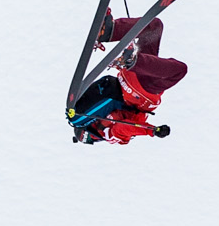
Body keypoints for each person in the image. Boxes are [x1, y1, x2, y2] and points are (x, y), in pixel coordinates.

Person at [73, 11, 187, 143]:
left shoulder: (109, 135)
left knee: (179, 71)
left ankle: (131, 59)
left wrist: (151, 131)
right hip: (126, 77)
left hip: (140, 93)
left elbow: (124, 128)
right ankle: (111, 32)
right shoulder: (102, 118)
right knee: (153, 27)